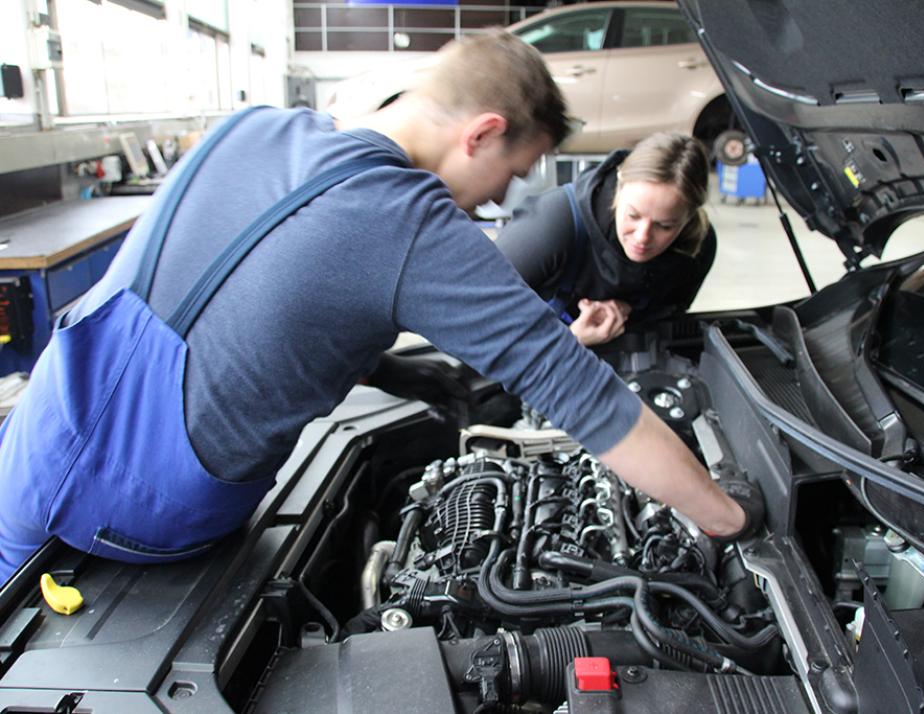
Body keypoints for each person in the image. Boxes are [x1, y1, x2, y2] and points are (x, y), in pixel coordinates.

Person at [0, 31, 758, 583]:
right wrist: (725, 515)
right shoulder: (414, 227)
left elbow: (247, 293)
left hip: (34, 439)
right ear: (483, 132)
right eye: (512, 172)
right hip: (154, 517)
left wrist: (404, 374)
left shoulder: (252, 126)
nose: (500, 200)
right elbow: (577, 392)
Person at [495, 132, 717, 346]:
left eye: (665, 226)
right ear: (620, 187)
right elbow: (480, 325)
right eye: (633, 215)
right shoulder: (549, 225)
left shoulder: (696, 246)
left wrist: (631, 312)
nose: (642, 237)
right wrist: (569, 341)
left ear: (689, 217)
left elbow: (669, 319)